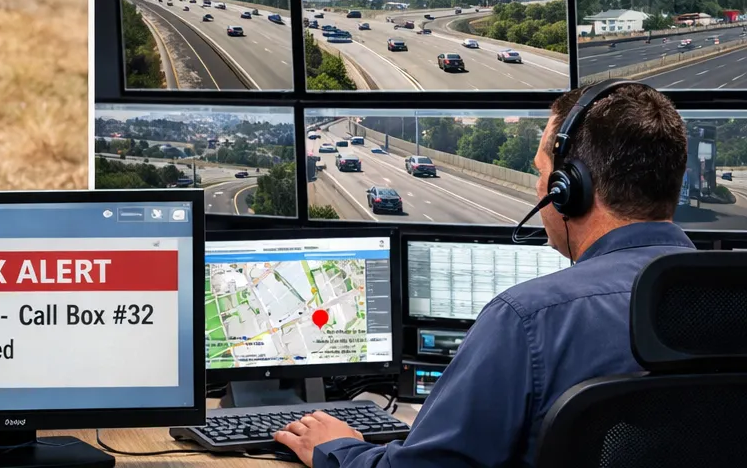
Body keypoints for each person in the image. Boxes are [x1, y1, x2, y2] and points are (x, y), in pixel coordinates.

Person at [274, 82, 694, 467]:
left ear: (569, 188)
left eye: (539, 171)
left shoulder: (531, 318)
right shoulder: (732, 300)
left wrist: (338, 448)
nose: (538, 187)